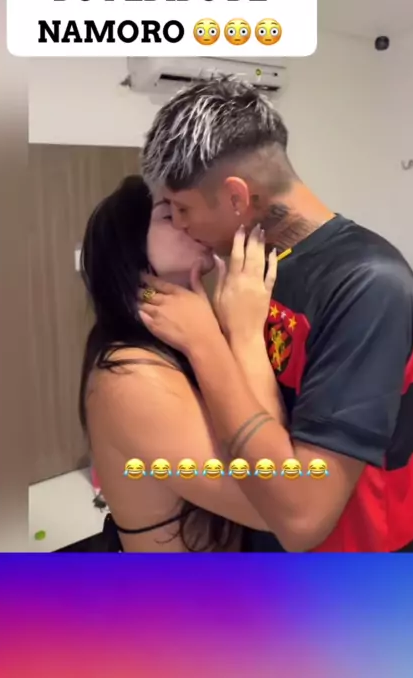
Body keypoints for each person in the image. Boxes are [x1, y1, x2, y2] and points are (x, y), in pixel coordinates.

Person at [139, 74, 413, 552]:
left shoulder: (367, 283)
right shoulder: (246, 266)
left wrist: (208, 341)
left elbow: (303, 518)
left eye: (182, 208)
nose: (181, 224)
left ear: (236, 197)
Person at [79, 175, 282, 552]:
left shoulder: (187, 337)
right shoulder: (131, 376)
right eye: (168, 215)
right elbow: (278, 506)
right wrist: (245, 335)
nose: (190, 221)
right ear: (128, 247)